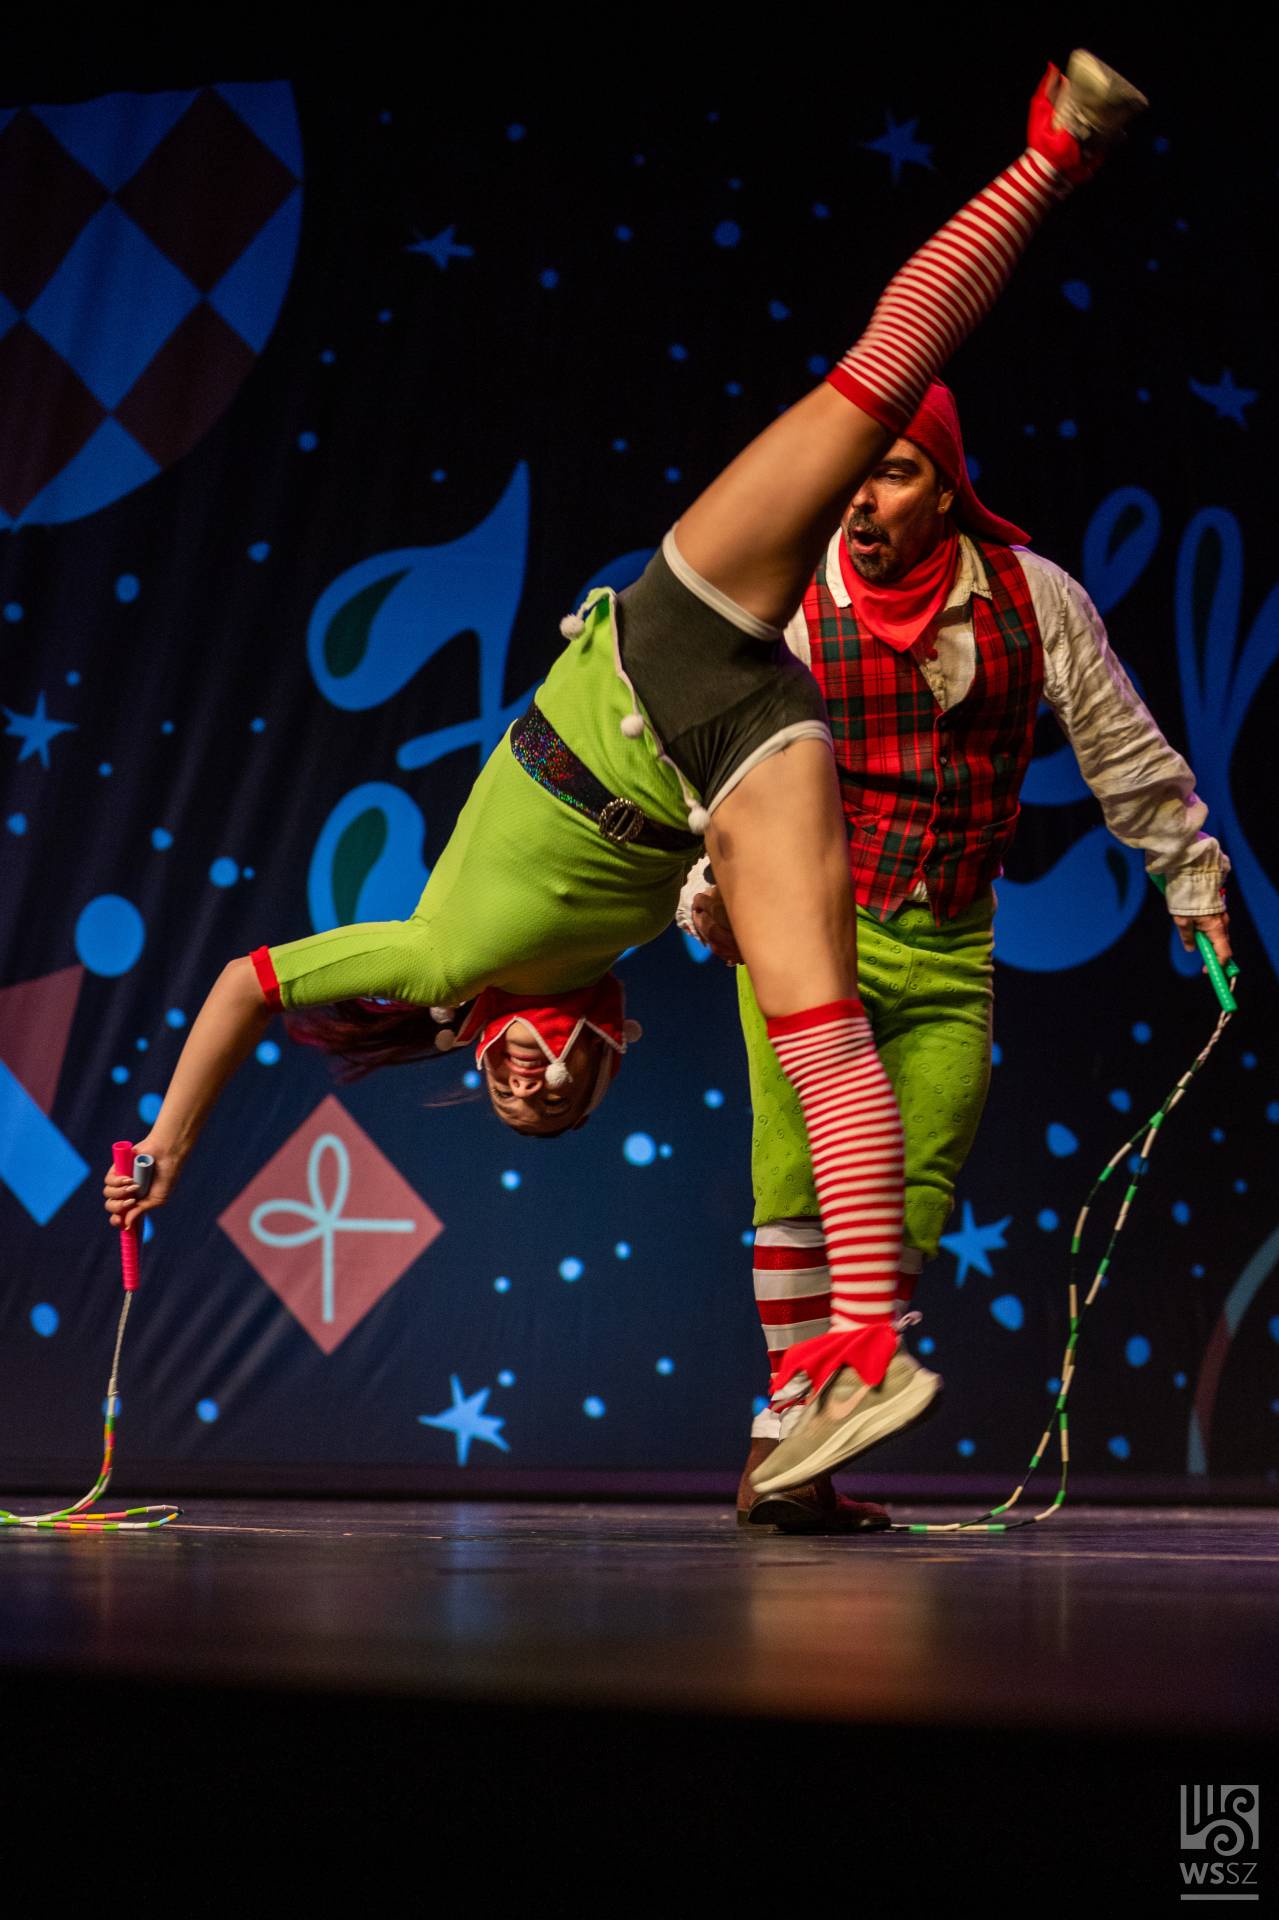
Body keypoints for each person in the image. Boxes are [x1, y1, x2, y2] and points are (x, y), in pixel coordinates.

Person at [105, 53, 1148, 1491]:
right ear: (612, 1045)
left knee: (872, 389)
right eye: (562, 1089)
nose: (536, 1074)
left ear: (478, 1036)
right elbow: (734, 941)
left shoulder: (435, 957)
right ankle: (866, 1346)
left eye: (513, 1082)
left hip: (663, 648)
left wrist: (165, 1144)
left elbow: (241, 983)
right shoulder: (631, 939)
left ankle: (1049, 153)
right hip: (739, 755)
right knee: (823, 1029)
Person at [682, 377, 1230, 1527]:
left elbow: (1119, 743)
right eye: (851, 473)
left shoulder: (1032, 598)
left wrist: (1189, 878)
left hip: (948, 937)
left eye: (891, 473)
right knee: (795, 1178)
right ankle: (792, 1452)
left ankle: (797, 1441)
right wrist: (708, 892)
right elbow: (720, 765)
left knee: (913, 1182)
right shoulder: (793, 596)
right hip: (805, 924)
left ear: (945, 491)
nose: (859, 499)